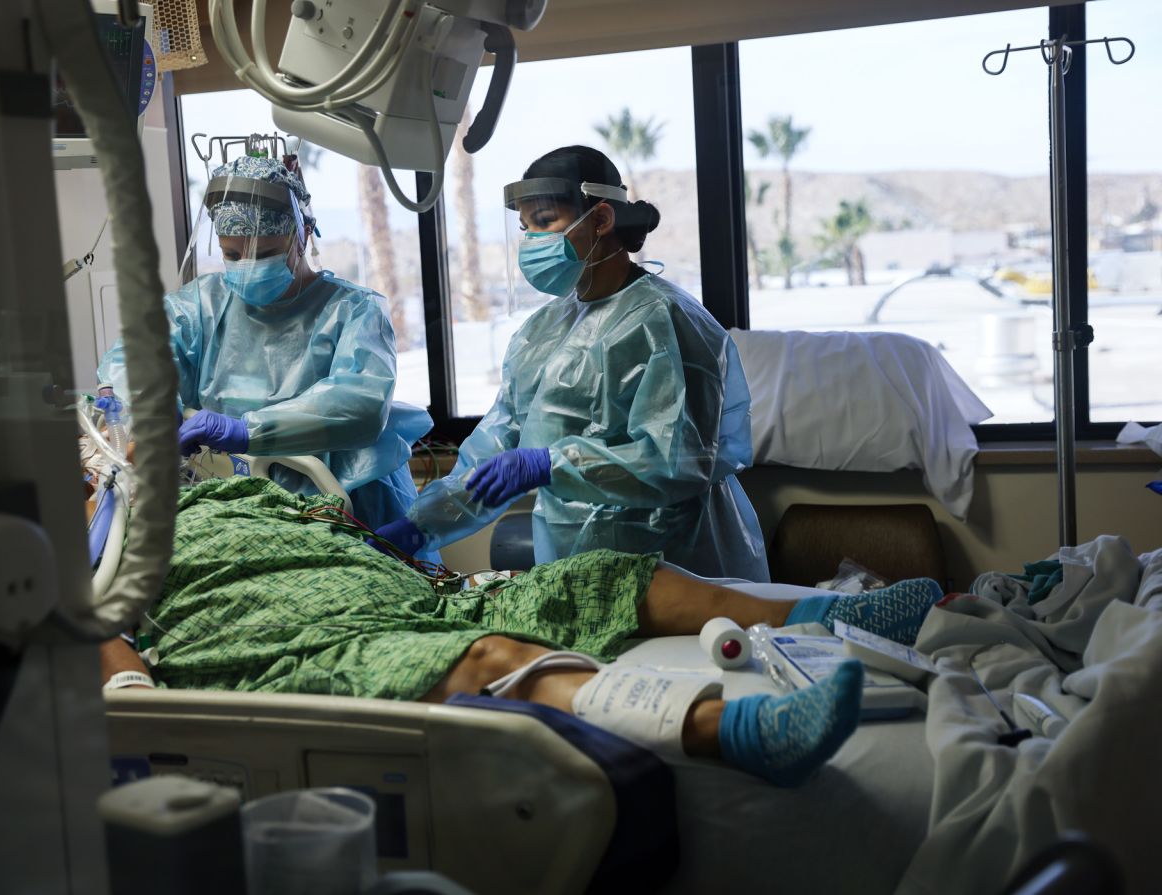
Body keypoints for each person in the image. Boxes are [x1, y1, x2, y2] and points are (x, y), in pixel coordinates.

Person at [102, 477, 945, 786]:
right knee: (494, 661)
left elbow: (342, 525)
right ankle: (734, 729)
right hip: (295, 638)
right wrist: (131, 691)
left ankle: (828, 615)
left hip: (419, 594)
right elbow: (93, 624)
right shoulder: (95, 546)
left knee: (612, 576)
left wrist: (399, 551)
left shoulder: (239, 488)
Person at [373, 146, 768, 579]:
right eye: (525, 228)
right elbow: (495, 451)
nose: (532, 242)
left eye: (544, 222)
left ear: (600, 219)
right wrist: (417, 526)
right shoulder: (540, 332)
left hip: (679, 565)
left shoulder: (667, 322)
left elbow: (676, 462)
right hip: (571, 569)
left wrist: (549, 464)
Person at [97, 156, 432, 555]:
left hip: (347, 506)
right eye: (232, 255)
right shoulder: (201, 306)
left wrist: (246, 432)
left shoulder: (355, 311)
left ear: (303, 235)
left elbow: (360, 405)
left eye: (265, 253)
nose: (246, 267)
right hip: (237, 513)